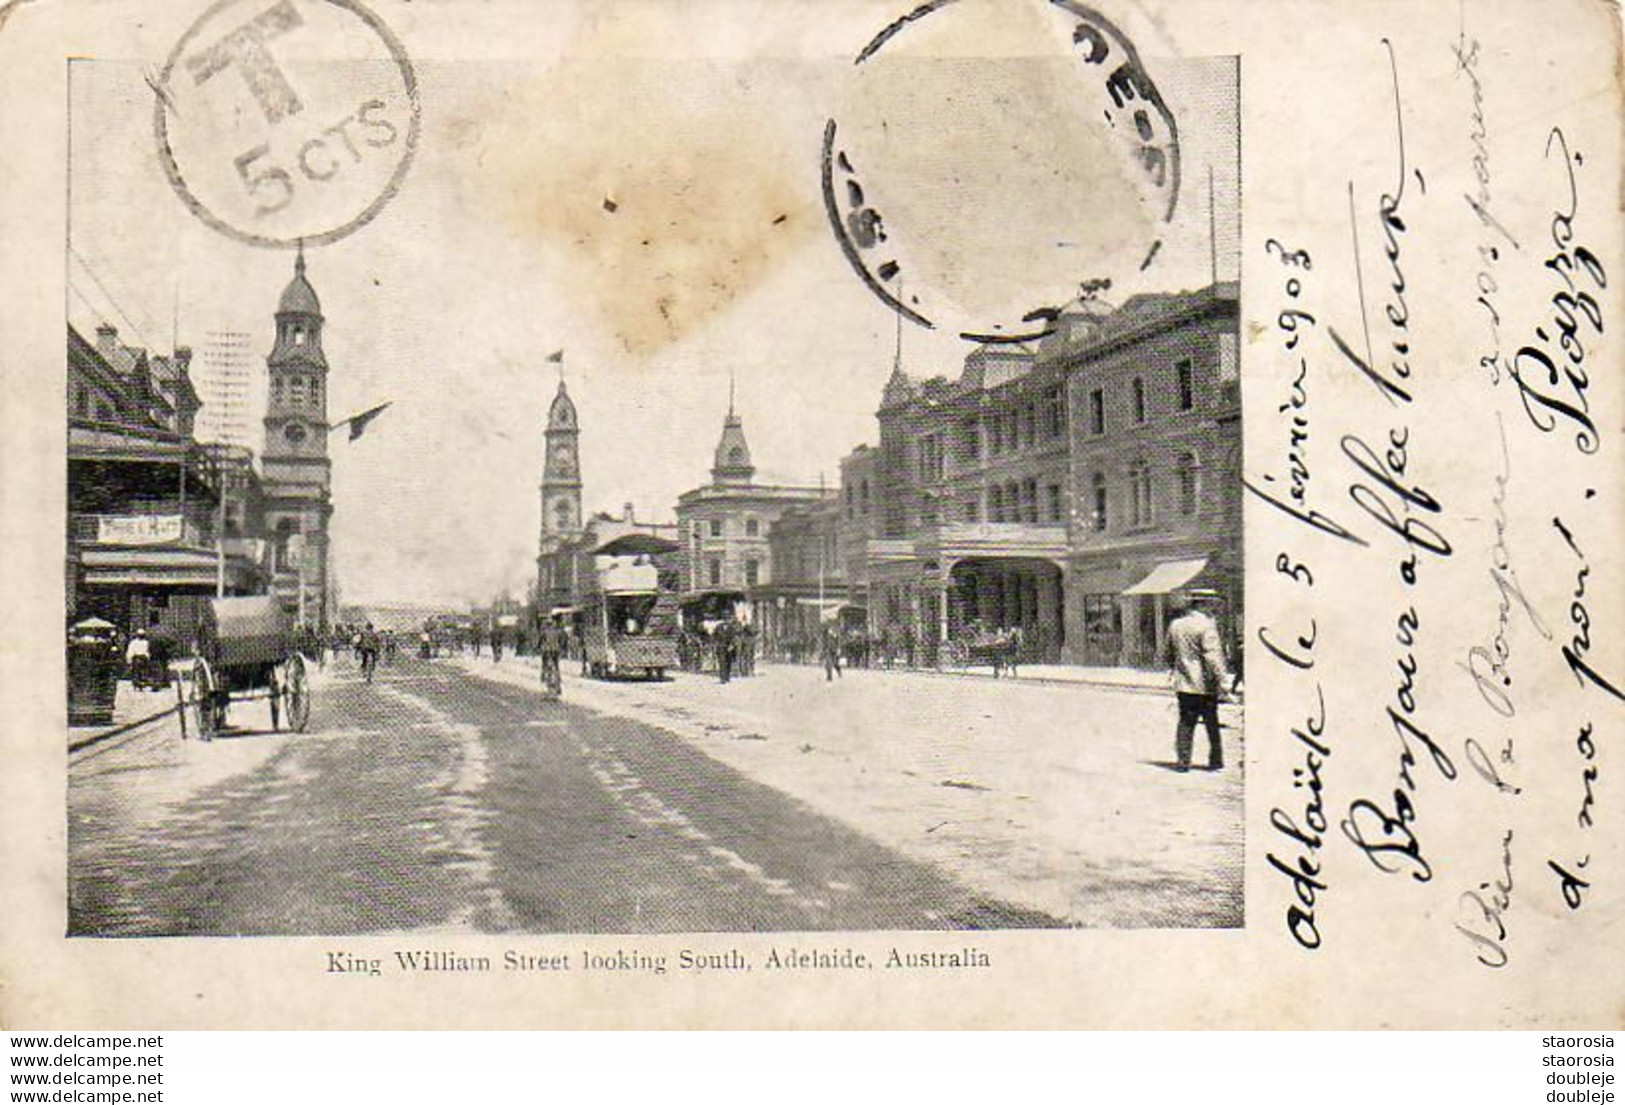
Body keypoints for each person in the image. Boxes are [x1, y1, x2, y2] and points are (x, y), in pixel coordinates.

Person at [1163, 590, 1231, 771]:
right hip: (1205, 684)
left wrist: (1178, 668)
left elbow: (1167, 654)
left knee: (1185, 722)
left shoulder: (1175, 625)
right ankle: (1215, 761)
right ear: (1202, 604)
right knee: (1211, 723)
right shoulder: (1207, 626)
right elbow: (1213, 657)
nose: (1213, 608)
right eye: (1211, 604)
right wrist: (1223, 681)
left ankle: (1183, 762)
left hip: (1184, 683)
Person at [538, 618, 565, 699]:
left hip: (547, 651)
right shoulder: (558, 632)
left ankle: (546, 682)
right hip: (556, 651)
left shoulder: (544, 632)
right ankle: (558, 686)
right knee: (556, 668)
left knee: (545, 667)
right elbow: (562, 641)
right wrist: (560, 647)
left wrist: (538, 647)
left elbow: (540, 641)